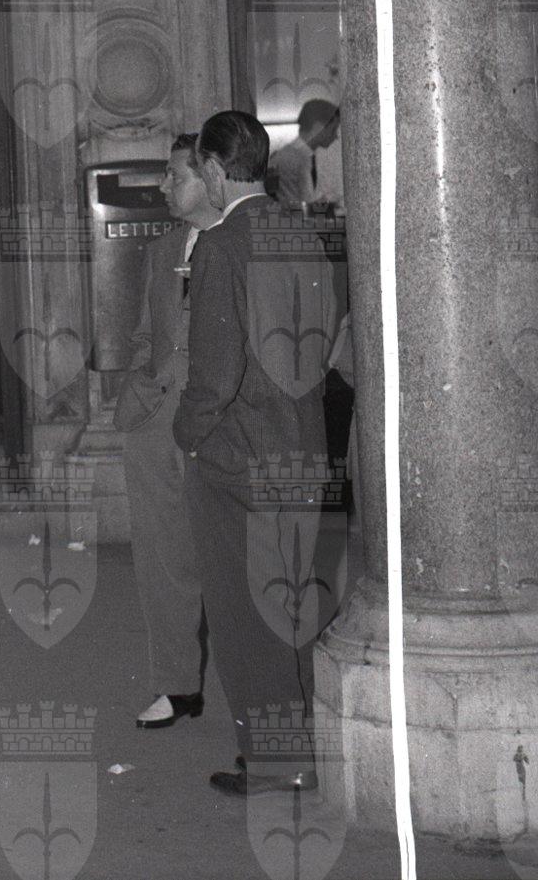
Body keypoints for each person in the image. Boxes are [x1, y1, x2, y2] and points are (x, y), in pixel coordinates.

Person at [172, 110, 328, 796]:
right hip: (302, 443)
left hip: (238, 456)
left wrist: (187, 432)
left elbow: (214, 371)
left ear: (213, 168)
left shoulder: (221, 244)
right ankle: (307, 742)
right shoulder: (303, 232)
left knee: (243, 614)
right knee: (292, 604)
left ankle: (275, 760)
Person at [119, 134, 216, 730]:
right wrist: (139, 387)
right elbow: (145, 332)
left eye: (174, 174)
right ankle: (177, 685)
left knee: (236, 561)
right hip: (156, 420)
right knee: (162, 555)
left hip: (219, 419)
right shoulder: (161, 250)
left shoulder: (242, 242)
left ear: (211, 176)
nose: (162, 185)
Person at [270, 100, 343, 213]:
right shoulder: (291, 158)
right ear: (318, 127)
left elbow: (302, 201)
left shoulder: (304, 156)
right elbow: (293, 209)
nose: (336, 136)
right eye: (333, 129)